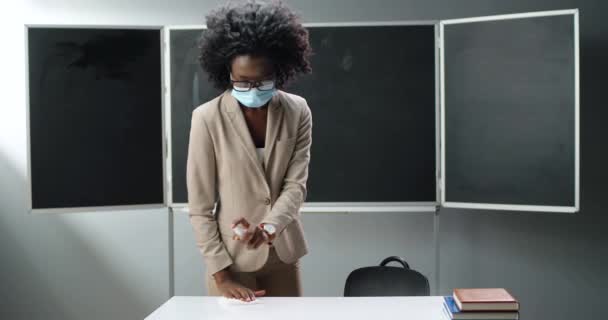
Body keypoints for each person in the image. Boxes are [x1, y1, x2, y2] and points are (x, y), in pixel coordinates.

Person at [186, 0, 313, 301]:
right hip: (231, 259)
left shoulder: (297, 111)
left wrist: (269, 227)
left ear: (279, 71)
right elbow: (200, 209)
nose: (253, 89)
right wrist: (222, 276)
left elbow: (295, 186)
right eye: (242, 82)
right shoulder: (207, 118)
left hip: (282, 252)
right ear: (226, 73)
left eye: (262, 80)